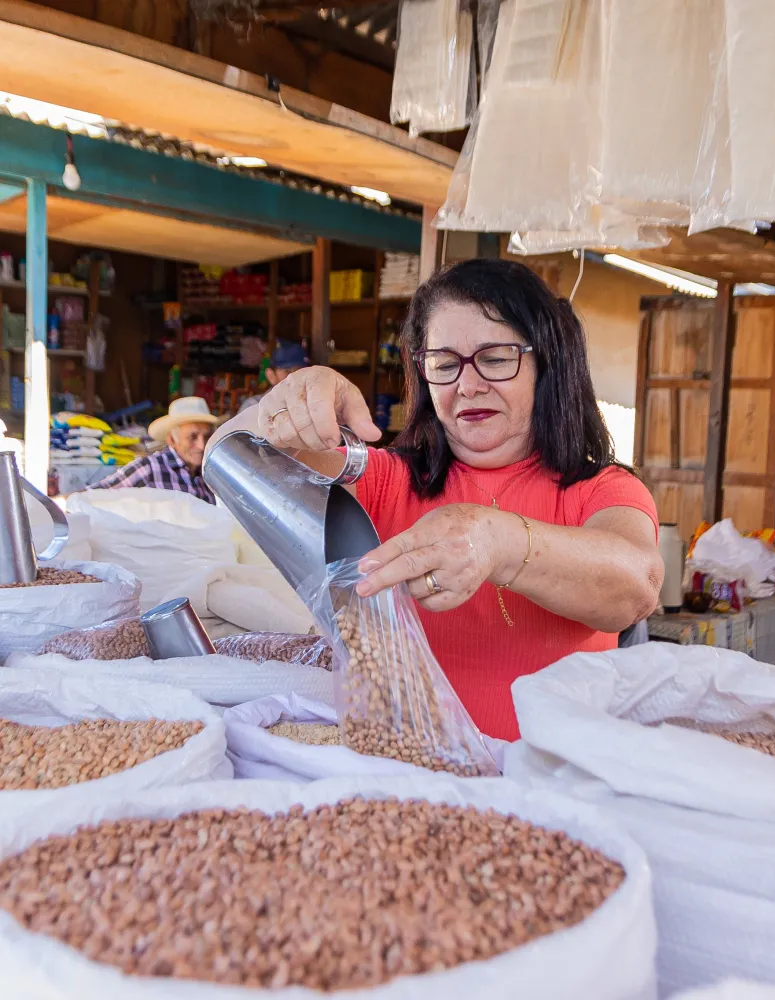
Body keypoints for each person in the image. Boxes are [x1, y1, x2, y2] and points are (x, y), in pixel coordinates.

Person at [210, 259, 662, 739]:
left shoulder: (601, 489)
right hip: (413, 785)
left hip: (552, 786)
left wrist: (498, 541)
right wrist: (277, 409)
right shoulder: (387, 478)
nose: (468, 385)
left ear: (545, 363)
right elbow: (227, 462)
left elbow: (636, 587)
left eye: (495, 358)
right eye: (445, 365)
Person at [90, 396, 219, 504]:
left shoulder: (211, 475)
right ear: (172, 440)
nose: (202, 446)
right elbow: (94, 495)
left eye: (207, 437)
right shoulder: (150, 468)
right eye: (192, 437)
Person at [237, 341, 308, 414]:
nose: (295, 377)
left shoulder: (311, 405)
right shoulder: (254, 407)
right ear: (271, 375)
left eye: (301, 371)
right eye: (287, 371)